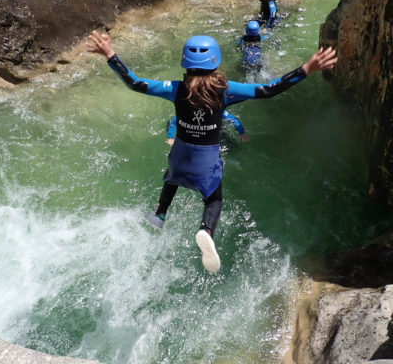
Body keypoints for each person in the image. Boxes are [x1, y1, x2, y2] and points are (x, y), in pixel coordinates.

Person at [86, 31, 337, 273]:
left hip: (180, 158)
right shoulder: (226, 90)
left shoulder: (175, 89)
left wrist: (110, 53)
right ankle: (206, 230)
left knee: (171, 174)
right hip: (205, 164)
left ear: (185, 62)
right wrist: (306, 68)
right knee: (214, 199)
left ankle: (160, 213)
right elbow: (268, 89)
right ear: (215, 62)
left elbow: (135, 83)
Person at [166, 111, 249, 147]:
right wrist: (170, 137)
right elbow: (172, 121)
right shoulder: (189, 111)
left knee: (233, 149)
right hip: (197, 133)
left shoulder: (217, 109)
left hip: (217, 132)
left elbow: (234, 120)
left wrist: (242, 133)